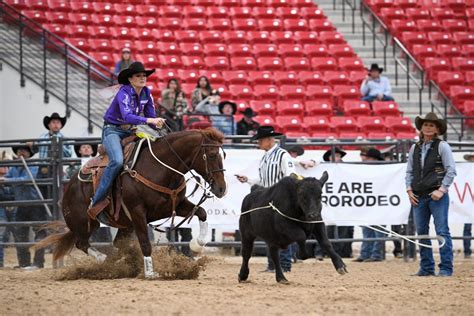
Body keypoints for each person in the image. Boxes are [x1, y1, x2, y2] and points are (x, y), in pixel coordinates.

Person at [87, 62, 166, 225]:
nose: (142, 78)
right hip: (112, 130)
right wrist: (150, 120)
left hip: (131, 131)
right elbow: (127, 115)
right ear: (130, 79)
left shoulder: (147, 93)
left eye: (144, 76)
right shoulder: (123, 92)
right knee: (116, 161)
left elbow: (150, 116)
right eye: (138, 76)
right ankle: (96, 201)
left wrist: (156, 124)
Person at [236, 126, 296, 272]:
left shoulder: (283, 155)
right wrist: (248, 180)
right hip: (268, 198)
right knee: (271, 232)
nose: (258, 143)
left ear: (269, 140)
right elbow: (263, 179)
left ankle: (284, 264)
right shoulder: (265, 157)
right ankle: (273, 265)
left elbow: (291, 176)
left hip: (280, 199)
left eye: (260, 140)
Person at [406, 112, 456, 277]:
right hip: (419, 195)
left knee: (442, 231)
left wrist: (441, 190)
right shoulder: (415, 147)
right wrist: (409, 190)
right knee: (421, 232)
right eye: (426, 125)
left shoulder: (443, 146)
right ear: (421, 127)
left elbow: (451, 170)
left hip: (437, 195)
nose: (428, 127)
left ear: (437, 129)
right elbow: (410, 171)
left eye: (431, 125)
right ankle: (426, 268)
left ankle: (445, 268)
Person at [3, 145, 47, 269]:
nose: (21, 152)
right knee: (20, 233)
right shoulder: (14, 167)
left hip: (35, 204)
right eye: (19, 150)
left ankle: (38, 262)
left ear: (29, 154)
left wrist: (6, 180)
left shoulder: (33, 165)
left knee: (39, 233)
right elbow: (9, 179)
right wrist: (6, 180)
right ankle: (24, 262)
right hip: (21, 204)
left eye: (24, 150)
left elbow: (28, 179)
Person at [354, 148, 386, 262]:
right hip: (369, 203)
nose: (366, 159)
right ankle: (365, 254)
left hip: (378, 203)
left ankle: (375, 255)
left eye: (369, 157)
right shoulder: (365, 169)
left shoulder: (381, 170)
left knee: (378, 230)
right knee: (367, 230)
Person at [321, 147, 354, 259]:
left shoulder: (346, 168)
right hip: (330, 202)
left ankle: (341, 251)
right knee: (329, 229)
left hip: (343, 202)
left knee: (343, 228)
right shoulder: (323, 168)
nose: (336, 158)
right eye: (334, 156)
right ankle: (329, 251)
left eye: (338, 156)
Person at [462, 153, 474, 259]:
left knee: (467, 228)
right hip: (468, 202)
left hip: (468, 201)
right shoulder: (465, 173)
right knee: (467, 227)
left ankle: (467, 251)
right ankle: (466, 251)